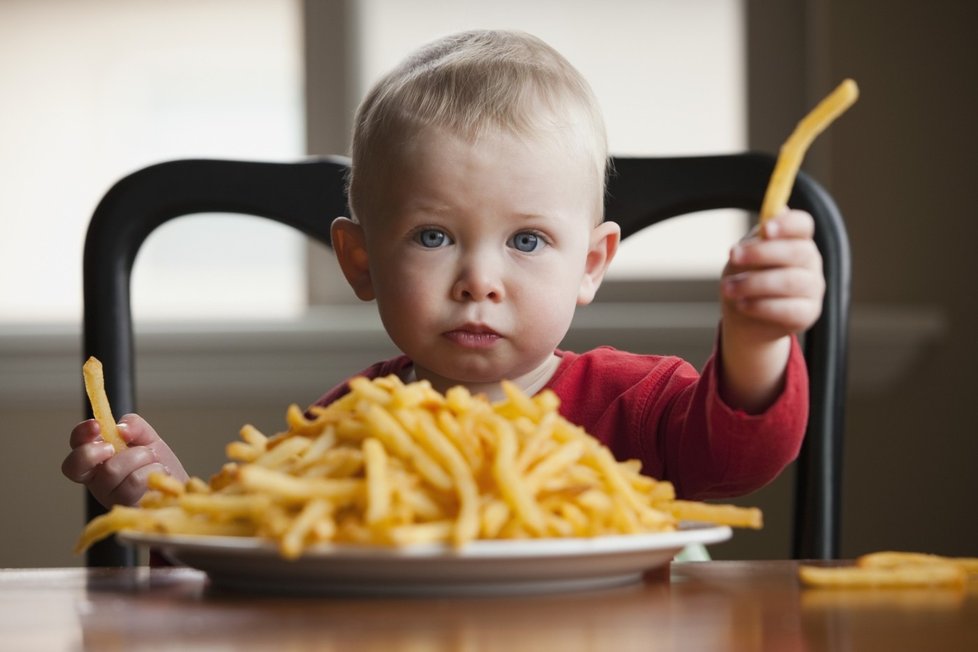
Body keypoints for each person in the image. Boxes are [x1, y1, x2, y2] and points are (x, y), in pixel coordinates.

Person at [62, 30, 824, 510]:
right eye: (432, 238)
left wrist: (756, 338)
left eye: (526, 242)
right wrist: (164, 499)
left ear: (591, 265)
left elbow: (740, 458)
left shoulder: (636, 406)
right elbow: (260, 560)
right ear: (362, 261)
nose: (478, 281)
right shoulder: (351, 427)